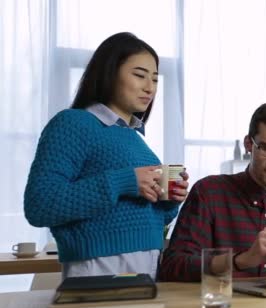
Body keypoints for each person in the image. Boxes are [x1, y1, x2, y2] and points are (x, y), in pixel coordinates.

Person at [23, 32, 189, 279]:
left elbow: (144, 214)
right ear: (109, 73)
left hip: (148, 266)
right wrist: (126, 181)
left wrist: (169, 200)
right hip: (98, 269)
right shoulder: (73, 123)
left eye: (155, 79)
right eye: (139, 75)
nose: (150, 87)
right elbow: (40, 205)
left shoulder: (136, 140)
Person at [159, 101, 266, 282]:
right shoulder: (209, 193)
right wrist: (241, 260)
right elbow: (172, 266)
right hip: (226, 307)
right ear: (249, 144)